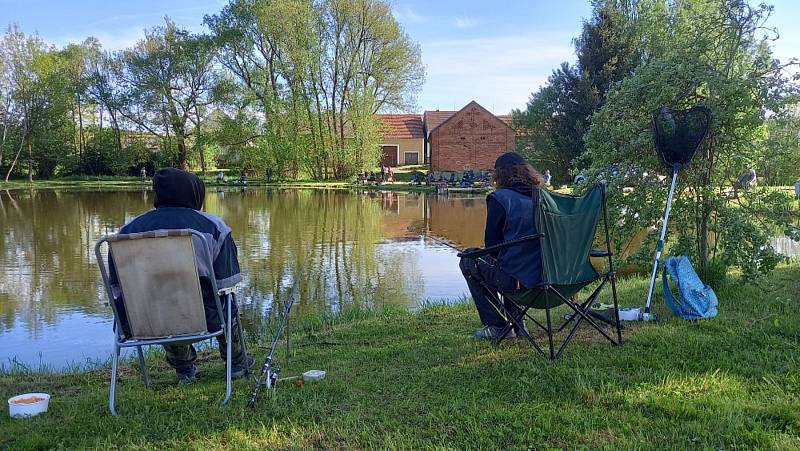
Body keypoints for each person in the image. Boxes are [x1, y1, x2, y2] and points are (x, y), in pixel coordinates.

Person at [109, 168, 254, 383]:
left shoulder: (127, 232)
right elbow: (228, 282)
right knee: (226, 299)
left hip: (144, 322)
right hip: (205, 320)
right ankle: (236, 363)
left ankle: (185, 369)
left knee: (160, 301)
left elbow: (117, 288)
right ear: (195, 194)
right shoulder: (213, 228)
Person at [459, 152, 543, 340]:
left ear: (499, 175)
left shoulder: (500, 198)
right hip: (551, 280)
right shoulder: (544, 198)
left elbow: (493, 248)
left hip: (519, 281)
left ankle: (499, 326)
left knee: (469, 260)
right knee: (514, 261)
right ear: (528, 172)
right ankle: (518, 324)